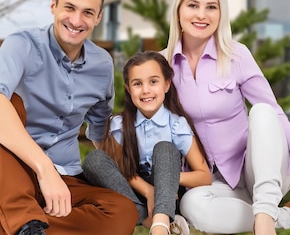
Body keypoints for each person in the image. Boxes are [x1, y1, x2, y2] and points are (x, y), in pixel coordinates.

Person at [0, 0, 139, 235]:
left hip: (65, 177)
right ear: (53, 5)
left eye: (88, 13)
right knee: (9, 102)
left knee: (123, 213)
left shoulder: (101, 64)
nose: (77, 21)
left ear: (99, 17)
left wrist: (134, 183)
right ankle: (25, 223)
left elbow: (100, 133)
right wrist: (43, 168)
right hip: (4, 175)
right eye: (69, 7)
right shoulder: (23, 44)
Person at [164, 0, 290, 235]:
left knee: (262, 111)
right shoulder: (163, 65)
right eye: (193, 5)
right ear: (179, 9)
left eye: (211, 7)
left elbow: (275, 113)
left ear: (221, 12)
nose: (201, 15)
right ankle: (289, 217)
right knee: (192, 206)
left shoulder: (237, 55)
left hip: (260, 169)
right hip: (213, 181)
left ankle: (263, 223)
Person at [82, 50, 211, 235]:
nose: (145, 90)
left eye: (153, 82)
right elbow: (121, 168)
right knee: (94, 159)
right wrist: (148, 191)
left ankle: (161, 222)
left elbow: (204, 177)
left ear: (166, 84)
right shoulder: (119, 125)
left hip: (168, 195)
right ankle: (145, 217)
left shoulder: (176, 125)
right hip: (133, 192)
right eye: (137, 84)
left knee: (164, 148)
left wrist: (163, 181)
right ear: (128, 88)